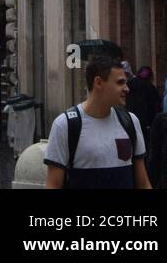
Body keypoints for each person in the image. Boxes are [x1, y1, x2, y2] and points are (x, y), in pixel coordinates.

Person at [44, 57, 150, 190]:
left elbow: (143, 183)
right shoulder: (65, 125)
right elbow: (53, 184)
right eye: (120, 83)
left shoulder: (131, 121)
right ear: (98, 83)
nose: (127, 88)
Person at [126, 66, 162, 136]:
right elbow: (156, 106)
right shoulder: (150, 87)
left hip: (129, 120)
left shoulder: (129, 84)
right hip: (145, 124)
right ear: (150, 77)